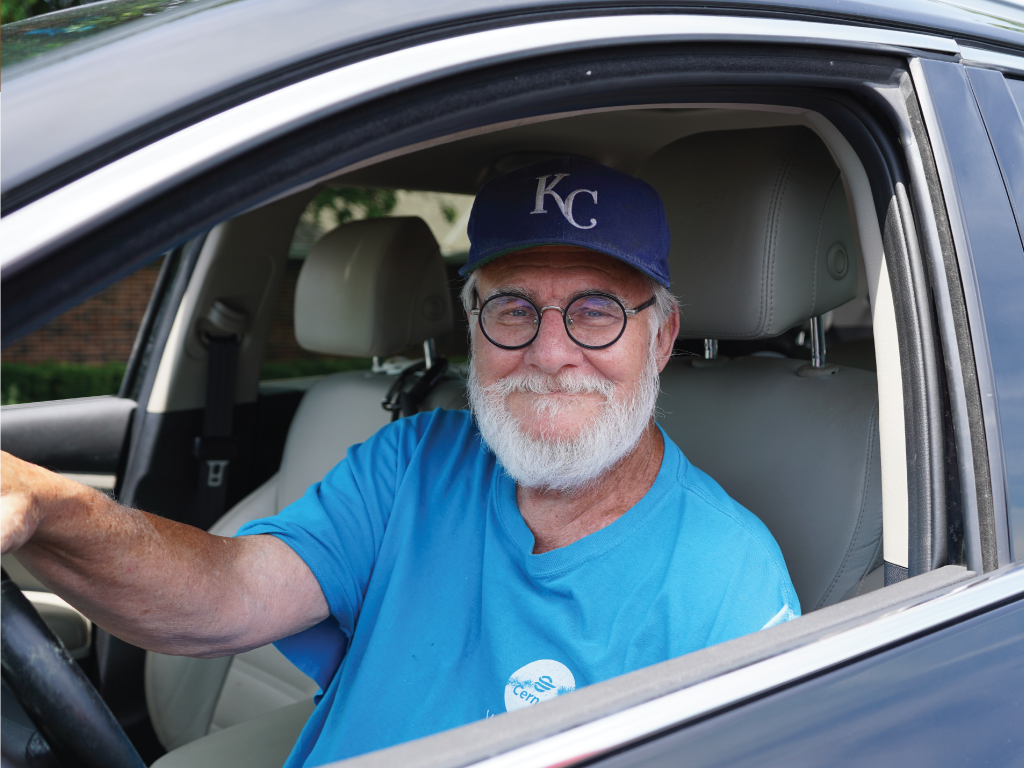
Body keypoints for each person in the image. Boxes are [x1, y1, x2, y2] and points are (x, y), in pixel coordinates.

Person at [0, 157, 799, 767]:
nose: (551, 352)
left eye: (595, 311)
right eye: (512, 308)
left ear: (660, 336)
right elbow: (226, 594)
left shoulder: (728, 583)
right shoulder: (412, 462)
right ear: (472, 330)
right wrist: (50, 505)